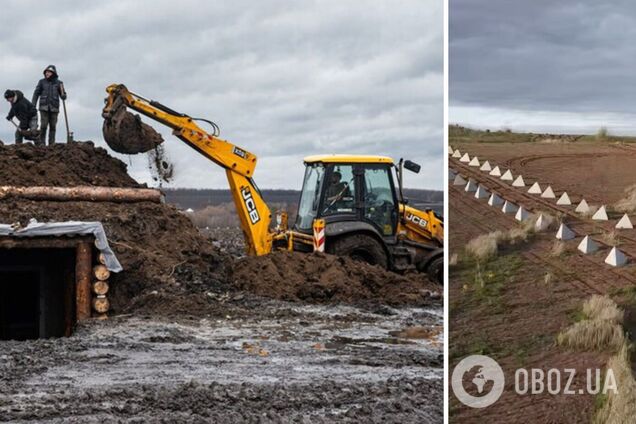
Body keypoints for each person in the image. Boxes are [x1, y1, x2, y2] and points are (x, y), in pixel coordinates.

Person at [32, 64, 66, 145]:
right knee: (43, 125)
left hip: (54, 108)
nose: (47, 73)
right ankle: (42, 143)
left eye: (49, 72)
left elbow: (63, 95)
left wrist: (64, 95)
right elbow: (36, 94)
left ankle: (52, 144)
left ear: (53, 73)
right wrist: (33, 105)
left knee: (53, 126)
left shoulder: (59, 83)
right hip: (44, 107)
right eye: (46, 72)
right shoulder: (41, 82)